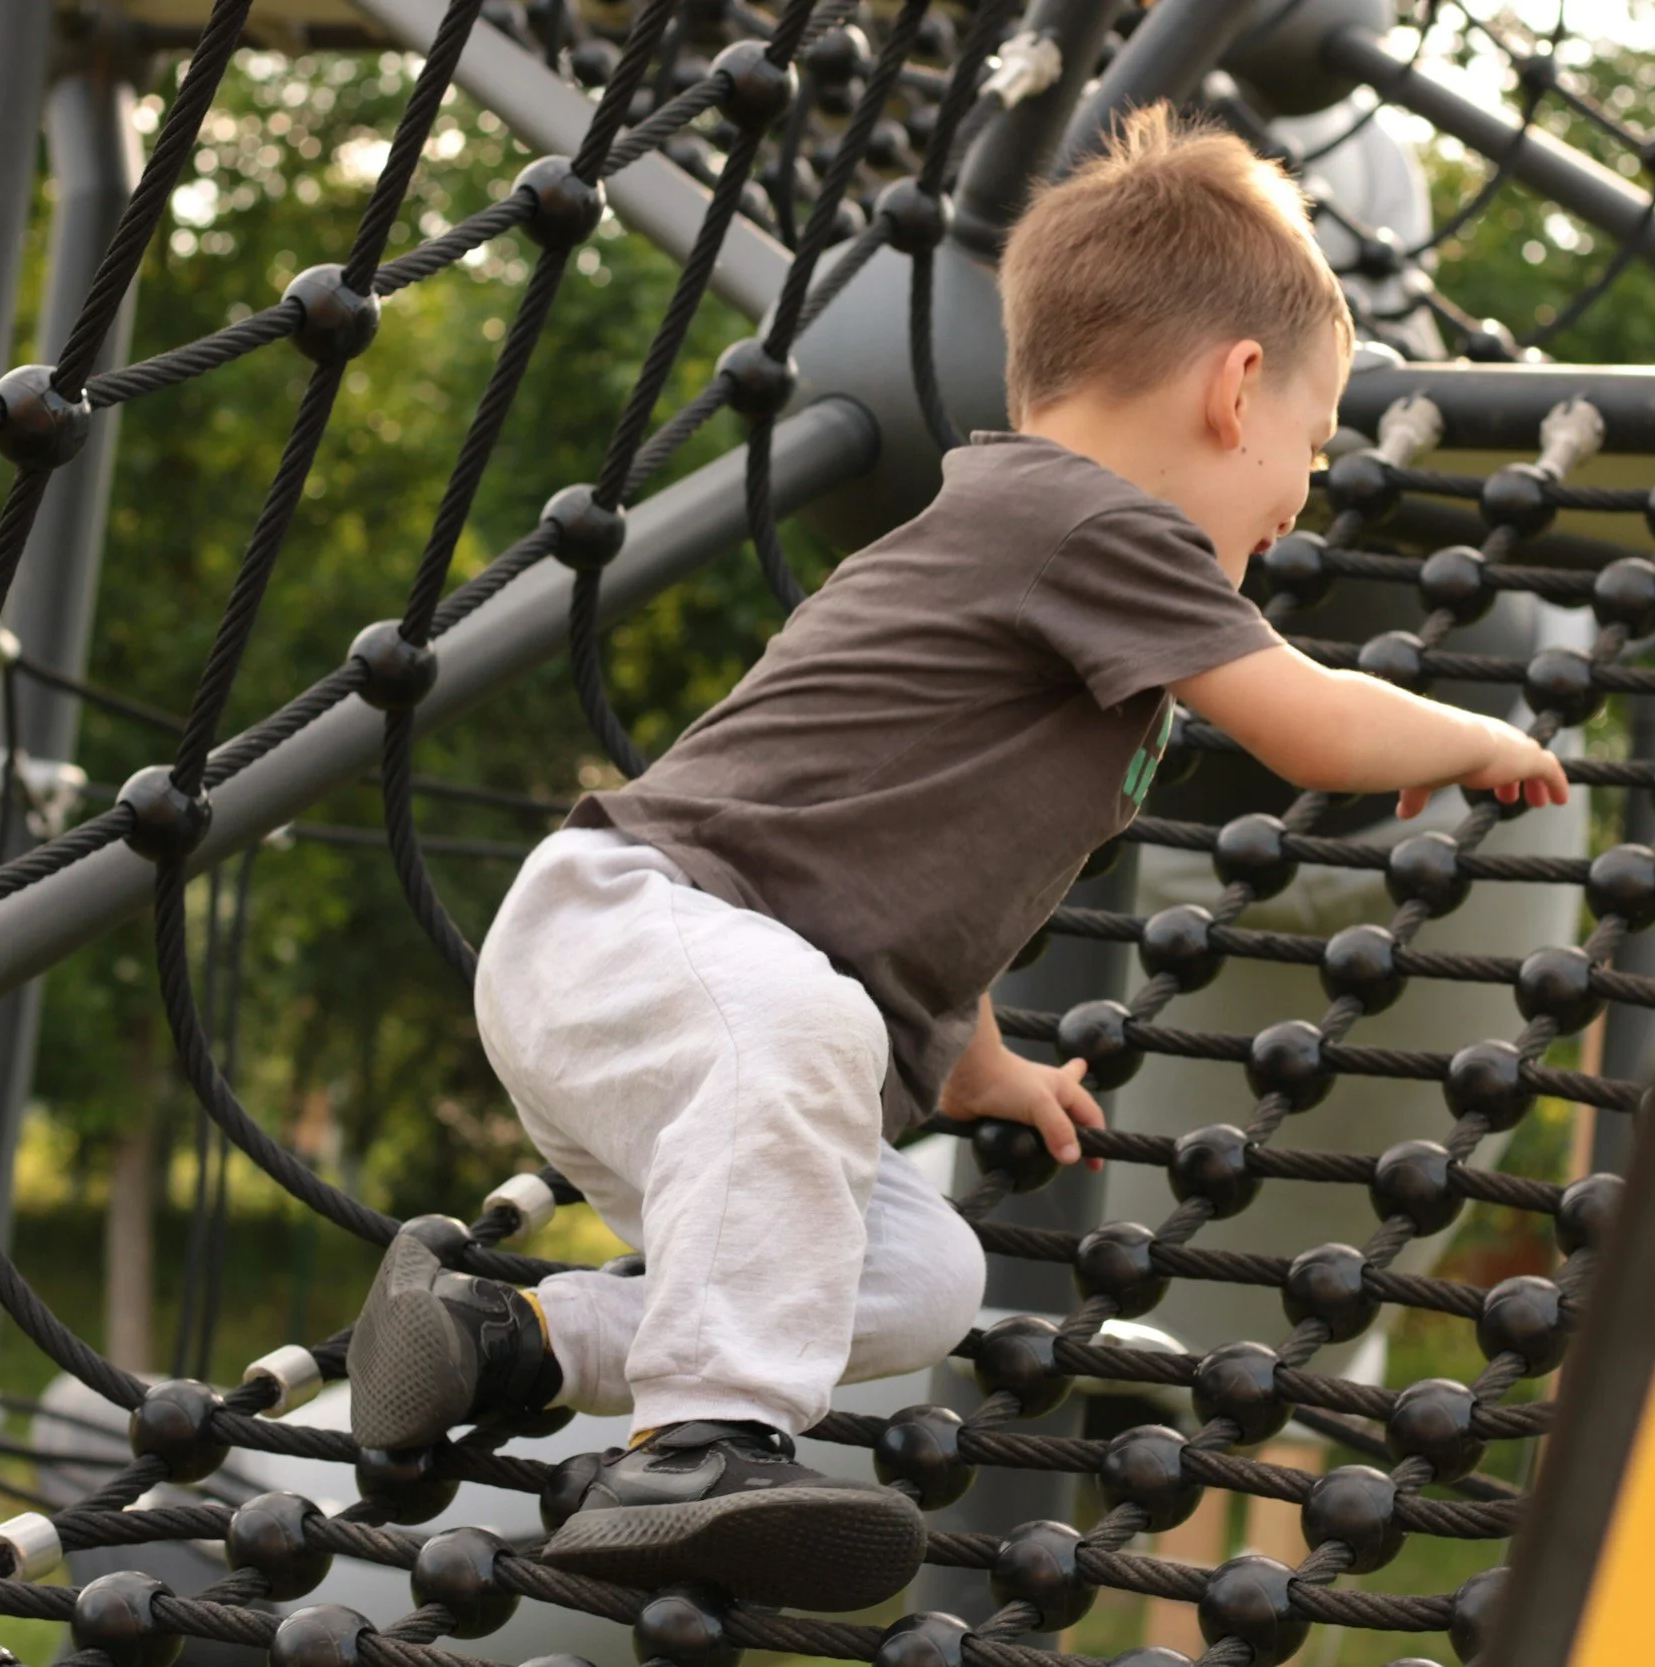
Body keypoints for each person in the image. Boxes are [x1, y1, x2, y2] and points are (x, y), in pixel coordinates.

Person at [346, 102, 1568, 1611]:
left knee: (926, 1272)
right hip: (638, 933)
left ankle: (506, 1342)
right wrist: (1476, 737)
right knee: (817, 1029)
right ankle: (694, 1453)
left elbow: (907, 875)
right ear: (1235, 390)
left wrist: (979, 1059)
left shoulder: (1029, 547)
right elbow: (1311, 725)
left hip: (713, 1001)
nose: (1295, 506)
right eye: (1307, 458)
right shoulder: (1092, 524)